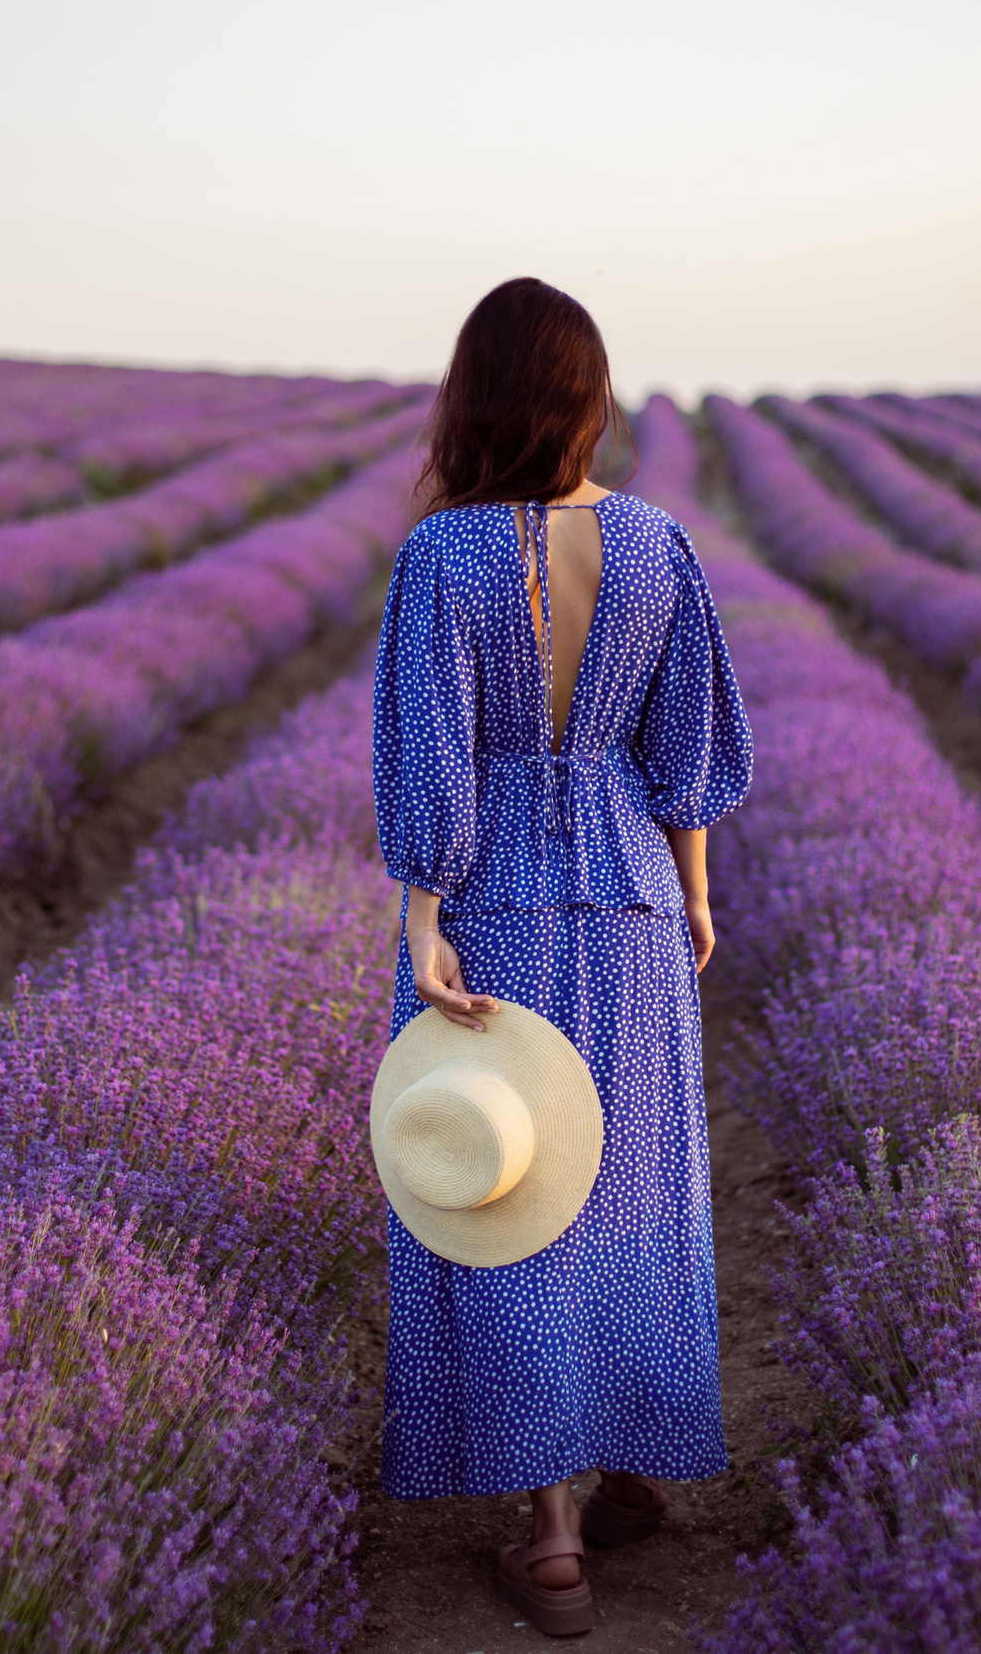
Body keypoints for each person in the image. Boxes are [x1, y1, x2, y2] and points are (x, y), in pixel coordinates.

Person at [372, 277, 753, 1629]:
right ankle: (635, 1459)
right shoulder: (658, 545)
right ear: (590, 400)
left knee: (517, 1196)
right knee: (639, 1186)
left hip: (499, 913)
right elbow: (689, 746)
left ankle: (551, 1538)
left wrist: (423, 924)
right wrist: (693, 896)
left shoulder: (443, 557)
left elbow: (431, 765)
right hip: (635, 900)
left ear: (474, 399)